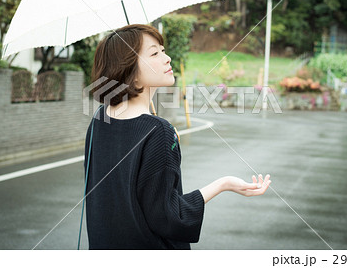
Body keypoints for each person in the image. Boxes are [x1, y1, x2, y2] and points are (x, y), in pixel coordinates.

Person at [84, 24, 271, 250]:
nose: (167, 58)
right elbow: (169, 217)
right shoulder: (158, 131)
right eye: (154, 53)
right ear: (131, 75)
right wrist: (225, 184)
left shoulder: (99, 120)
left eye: (163, 50)